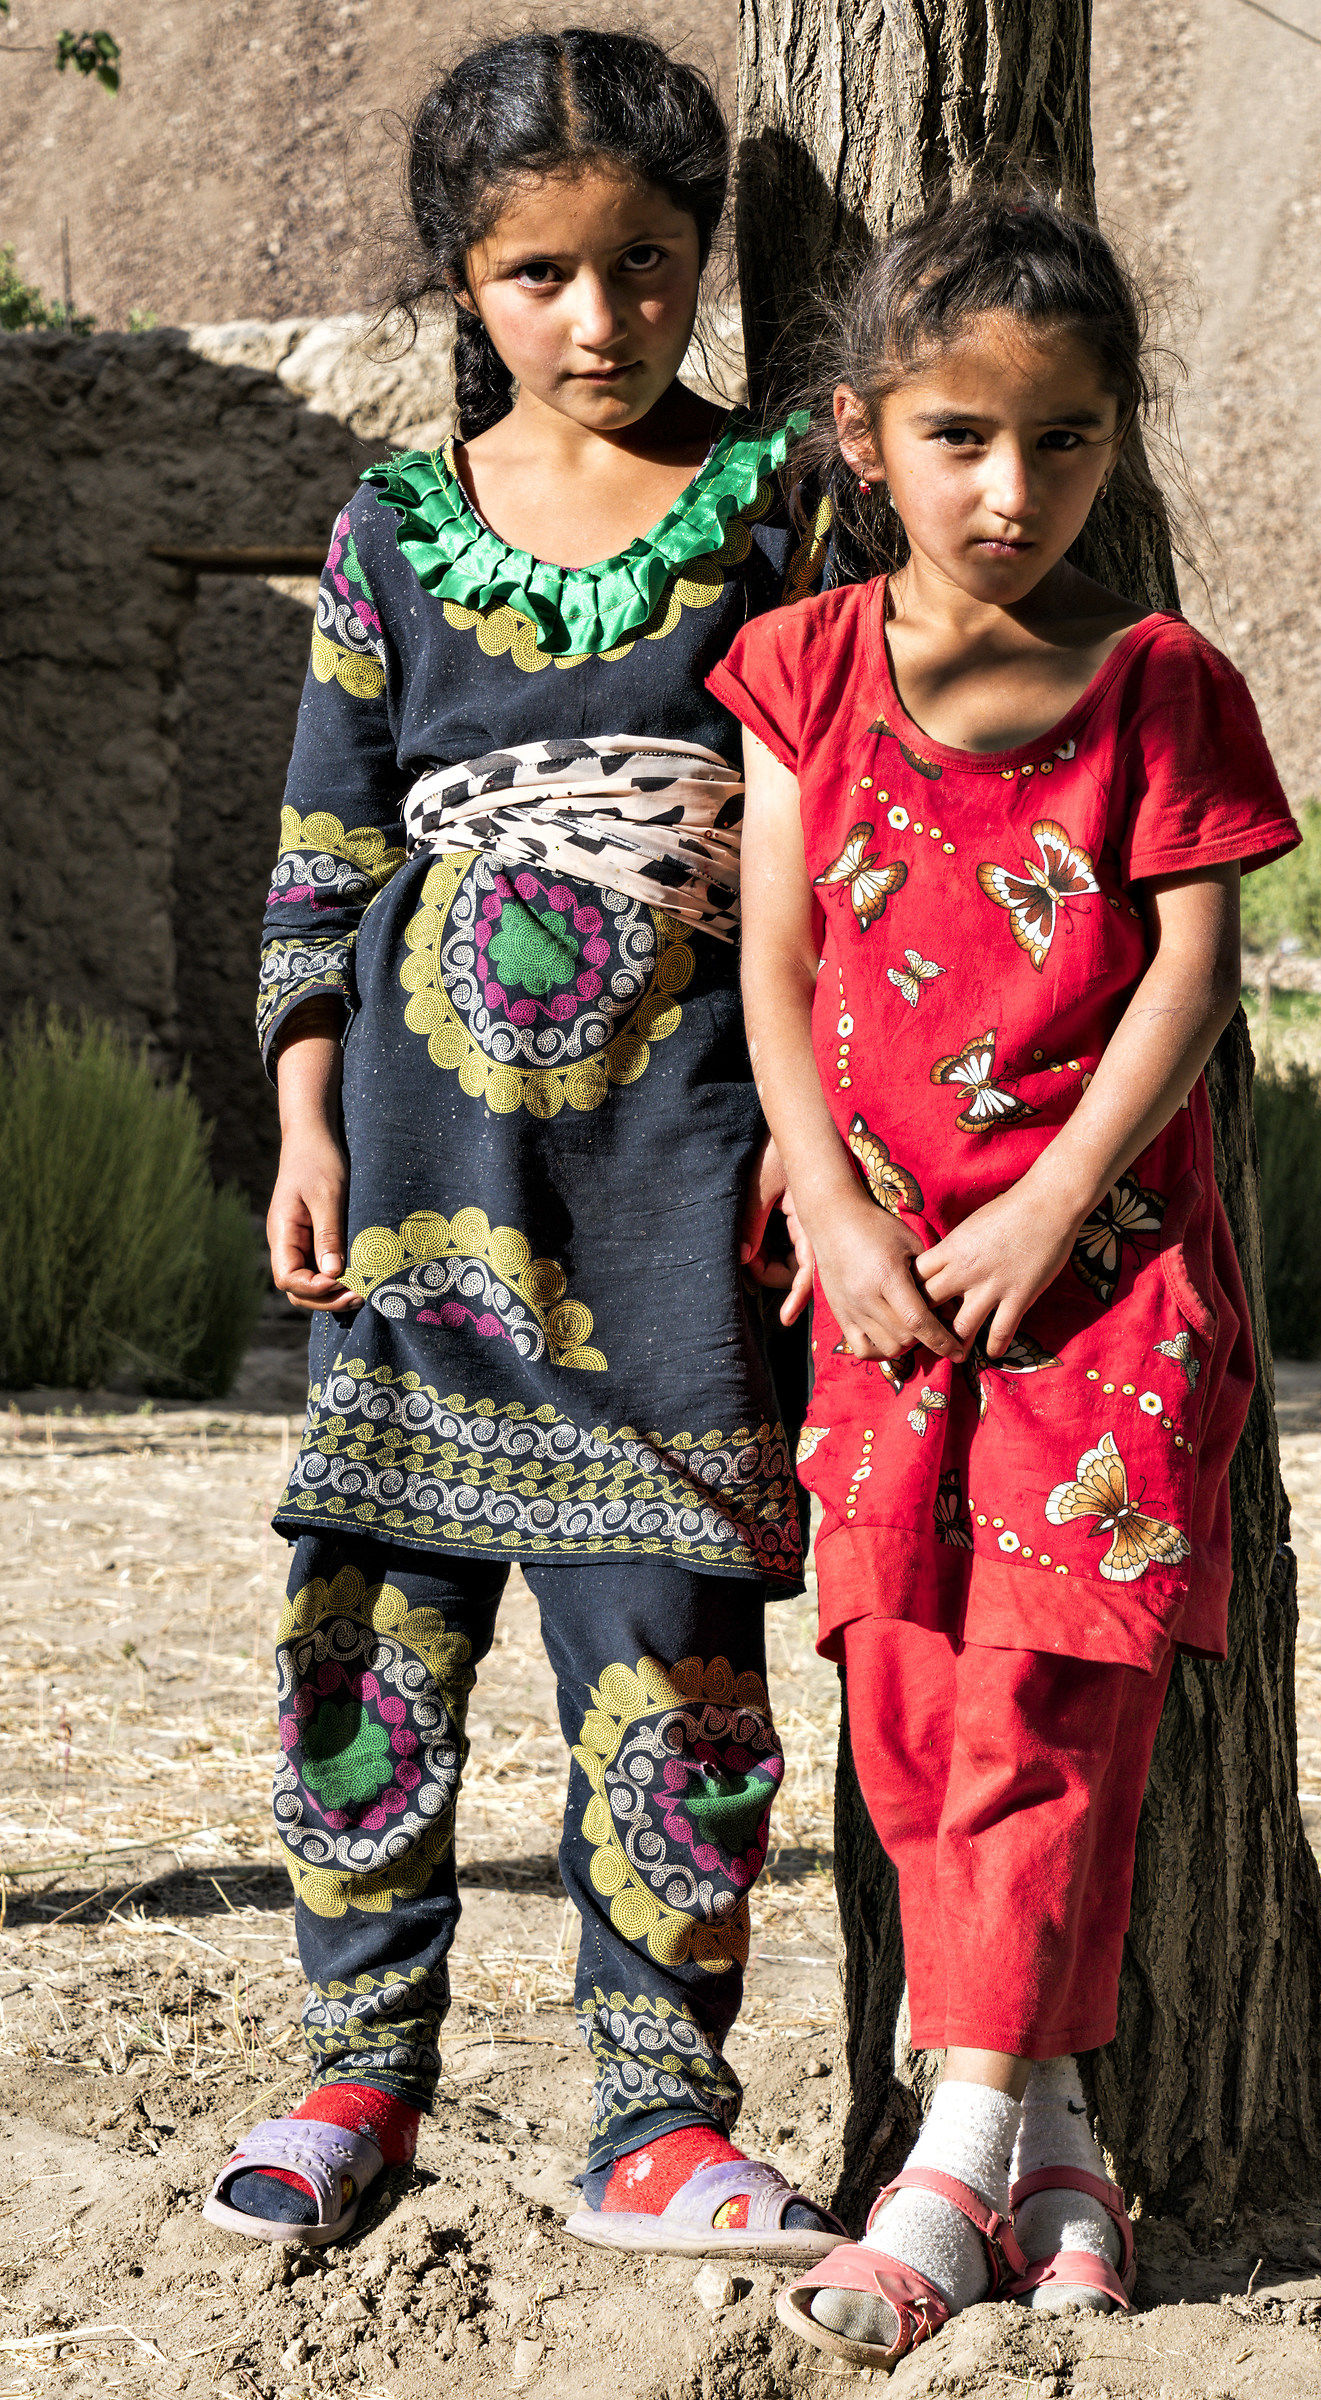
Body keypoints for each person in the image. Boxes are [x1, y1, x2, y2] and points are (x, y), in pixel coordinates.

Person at [202, 27, 844, 2263]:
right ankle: (353, 2072)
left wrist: (820, 1139)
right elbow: (322, 849)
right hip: (414, 1168)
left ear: (703, 259)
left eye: (646, 263)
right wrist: (301, 1120)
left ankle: (656, 2116)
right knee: (367, 1632)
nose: (599, 317)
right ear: (461, 283)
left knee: (672, 1646)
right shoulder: (391, 529)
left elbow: (840, 834)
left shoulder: (782, 503)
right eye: (539, 274)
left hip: (678, 1160)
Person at [712, 188, 1300, 2365]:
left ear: (1113, 443)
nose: (1010, 489)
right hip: (877, 1295)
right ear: (863, 434)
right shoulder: (802, 668)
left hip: (1102, 1298)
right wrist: (832, 1207)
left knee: (1048, 1709)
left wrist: (1052, 1206)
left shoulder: (1161, 687)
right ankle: (1051, 2149)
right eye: (959, 435)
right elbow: (775, 965)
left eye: (1063, 443)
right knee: (900, 1698)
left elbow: (1188, 981)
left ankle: (944, 2164)